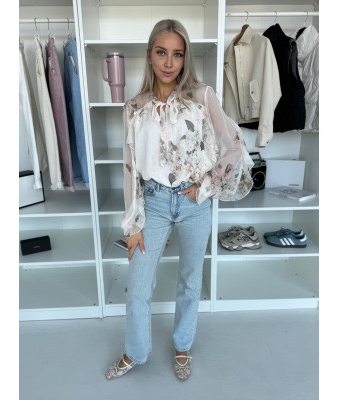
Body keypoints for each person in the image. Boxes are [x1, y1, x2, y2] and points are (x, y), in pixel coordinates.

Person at [105, 19, 254, 381]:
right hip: (153, 203)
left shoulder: (201, 96)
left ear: (185, 57)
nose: (169, 62)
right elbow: (130, 168)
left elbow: (234, 145)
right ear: (149, 55)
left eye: (177, 54)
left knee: (190, 280)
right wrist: (132, 223)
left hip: (193, 204)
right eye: (161, 53)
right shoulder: (134, 107)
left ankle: (183, 346)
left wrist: (205, 187)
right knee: (138, 285)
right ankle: (135, 351)